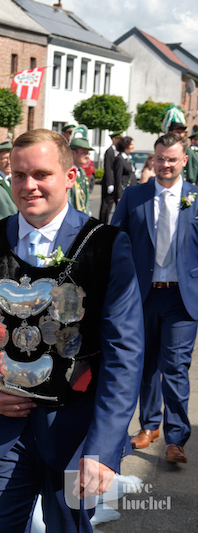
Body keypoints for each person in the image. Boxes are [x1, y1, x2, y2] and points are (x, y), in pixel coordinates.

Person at [0, 128, 144, 532]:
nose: (28, 185)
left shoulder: (106, 245)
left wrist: (103, 450)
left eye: (41, 174)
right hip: (0, 434)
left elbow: (124, 355)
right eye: (19, 175)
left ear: (70, 177)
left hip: (77, 437)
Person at [112, 133, 198, 464]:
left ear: (184, 160)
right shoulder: (135, 196)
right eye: (160, 158)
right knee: (144, 365)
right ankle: (149, 426)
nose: (165, 165)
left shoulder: (194, 198)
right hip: (141, 297)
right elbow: (115, 241)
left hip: (181, 299)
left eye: (172, 159)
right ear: (154, 158)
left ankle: (176, 438)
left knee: (175, 367)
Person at [98, 130, 123, 223]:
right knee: (106, 206)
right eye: (119, 139)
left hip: (116, 182)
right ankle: (102, 224)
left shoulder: (118, 151)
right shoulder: (109, 151)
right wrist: (109, 184)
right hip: (109, 183)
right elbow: (108, 168)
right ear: (114, 139)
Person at [69, 125, 93, 215]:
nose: (87, 156)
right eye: (84, 153)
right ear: (73, 153)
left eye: (88, 153)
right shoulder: (67, 173)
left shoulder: (81, 172)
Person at [112, 136, 135, 201]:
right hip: (124, 192)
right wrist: (119, 195)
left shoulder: (127, 158)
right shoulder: (120, 159)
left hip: (131, 191)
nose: (133, 146)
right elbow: (118, 178)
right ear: (125, 146)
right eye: (131, 145)